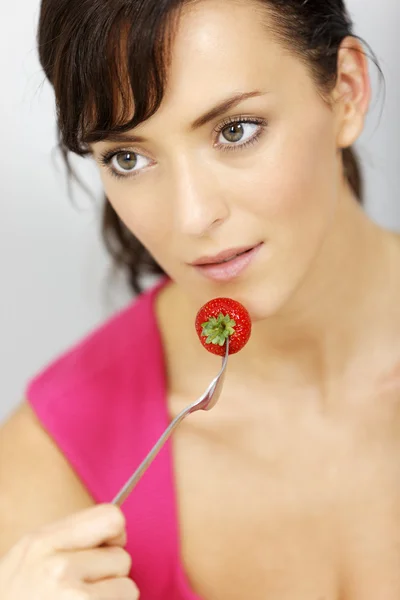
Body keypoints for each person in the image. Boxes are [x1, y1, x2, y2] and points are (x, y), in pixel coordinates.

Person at [1, 0, 400, 598]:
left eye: (235, 130)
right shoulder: (53, 464)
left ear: (345, 90)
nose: (191, 217)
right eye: (128, 158)